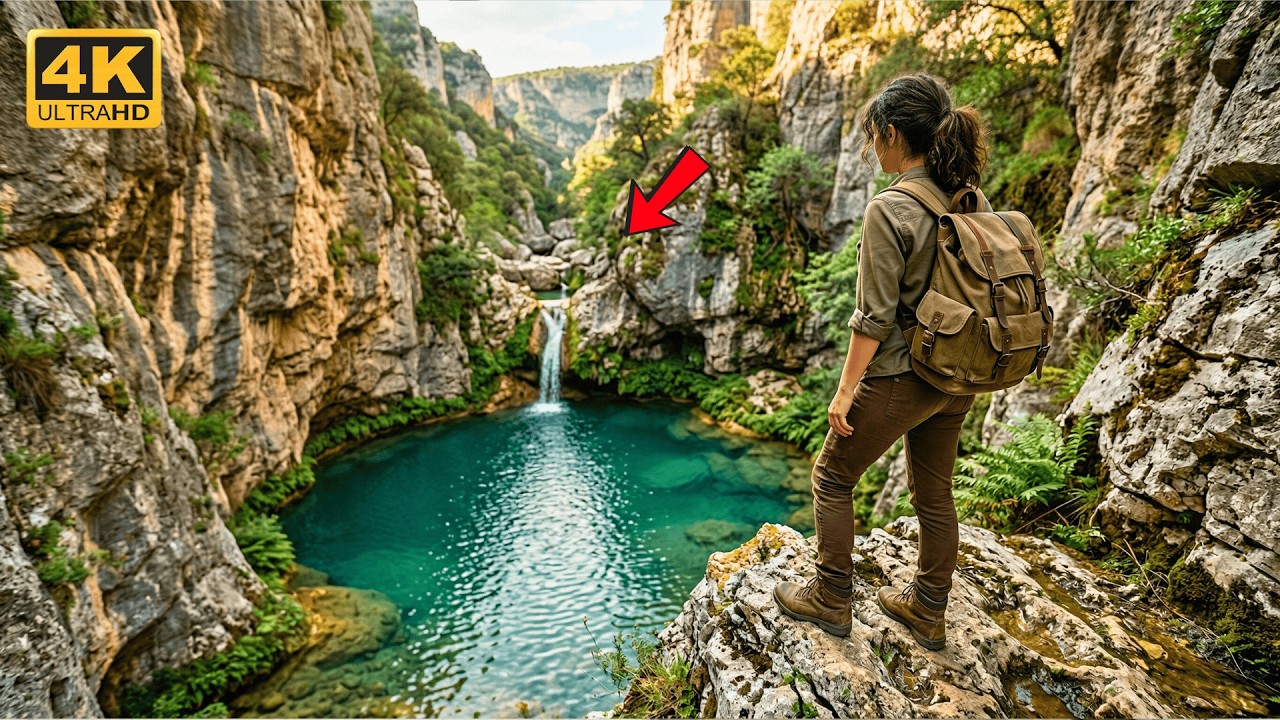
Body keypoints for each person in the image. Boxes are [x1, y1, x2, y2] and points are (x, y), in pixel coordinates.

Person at [772, 73, 990, 651]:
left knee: (832, 476)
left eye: (873, 136)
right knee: (934, 491)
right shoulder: (969, 196)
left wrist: (844, 391)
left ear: (892, 134)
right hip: (957, 373)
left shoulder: (889, 208)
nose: (871, 148)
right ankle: (927, 607)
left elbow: (873, 318)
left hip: (902, 376)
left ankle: (831, 597)